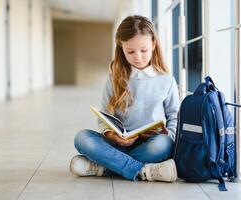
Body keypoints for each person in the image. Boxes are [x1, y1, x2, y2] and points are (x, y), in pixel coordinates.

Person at [70, 15, 180, 182]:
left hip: (150, 144)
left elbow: (174, 118)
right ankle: (143, 171)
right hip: (116, 144)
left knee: (164, 144)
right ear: (122, 49)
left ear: (154, 45)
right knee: (82, 138)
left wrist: (167, 134)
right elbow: (104, 117)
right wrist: (112, 136)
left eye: (144, 50)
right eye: (130, 51)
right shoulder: (114, 78)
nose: (138, 57)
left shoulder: (166, 81)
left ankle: (105, 166)